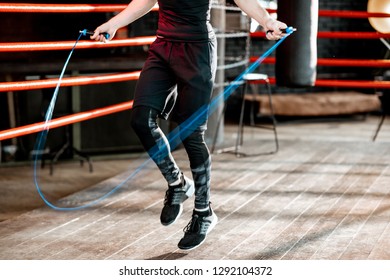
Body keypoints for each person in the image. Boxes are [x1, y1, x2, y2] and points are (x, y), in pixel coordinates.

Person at [92, 0, 287, 250]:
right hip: (163, 47)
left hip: (197, 50)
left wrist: (267, 21)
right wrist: (112, 24)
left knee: (191, 135)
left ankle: (204, 212)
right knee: (141, 120)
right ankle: (178, 184)